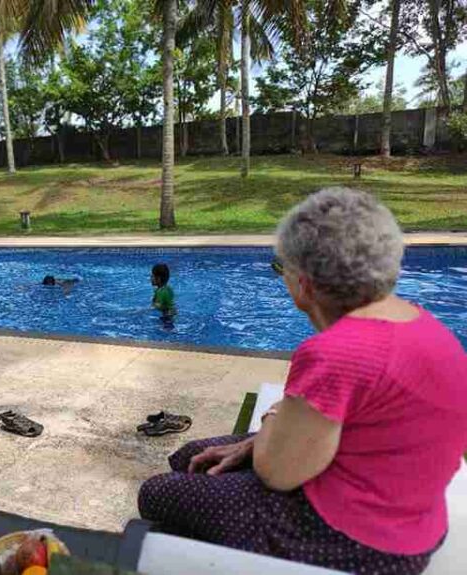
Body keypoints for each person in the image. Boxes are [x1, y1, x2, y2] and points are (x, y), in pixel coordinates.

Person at [138, 188, 467, 575]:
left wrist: (272, 419)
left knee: (158, 492)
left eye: (283, 267)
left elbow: (278, 473)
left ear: (305, 284)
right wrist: (255, 442)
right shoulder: (428, 328)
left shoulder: (334, 353)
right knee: (190, 455)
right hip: (412, 523)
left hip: (357, 545)